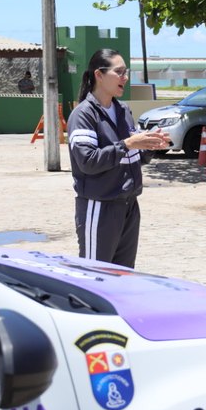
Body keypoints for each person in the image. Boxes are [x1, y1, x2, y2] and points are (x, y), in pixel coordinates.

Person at [67, 49, 168, 268]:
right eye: (119, 72)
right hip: (100, 206)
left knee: (123, 277)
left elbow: (134, 158)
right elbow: (88, 161)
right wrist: (127, 144)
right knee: (96, 277)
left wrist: (150, 146)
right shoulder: (83, 115)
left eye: (126, 72)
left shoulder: (123, 111)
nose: (125, 77)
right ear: (99, 75)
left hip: (129, 206)